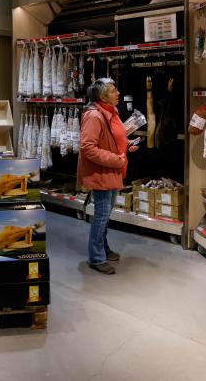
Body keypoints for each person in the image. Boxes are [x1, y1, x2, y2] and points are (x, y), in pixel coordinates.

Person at [77, 78, 139, 275]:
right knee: (102, 215)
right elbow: (87, 148)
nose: (118, 93)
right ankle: (96, 258)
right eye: (114, 91)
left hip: (112, 170)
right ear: (103, 96)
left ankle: (103, 248)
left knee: (105, 215)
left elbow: (114, 137)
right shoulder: (94, 116)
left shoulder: (112, 112)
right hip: (101, 172)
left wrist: (127, 145)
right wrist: (115, 159)